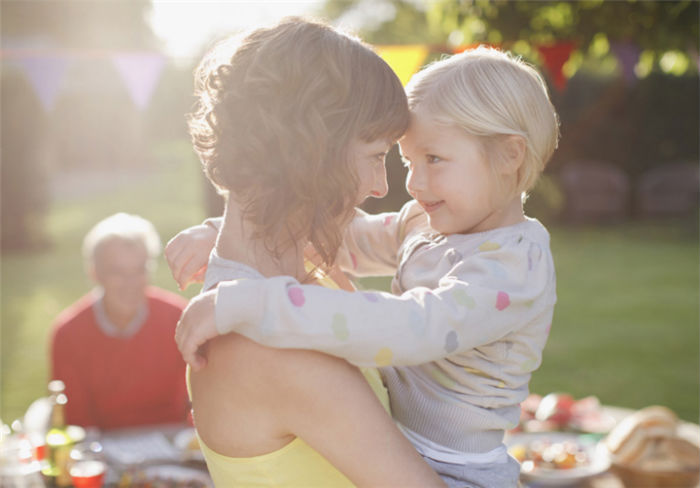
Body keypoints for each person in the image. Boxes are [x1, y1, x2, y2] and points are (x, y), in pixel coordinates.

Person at [170, 45, 560, 487]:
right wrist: (218, 229)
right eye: (401, 159)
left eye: (434, 159)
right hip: (416, 451)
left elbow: (413, 327)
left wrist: (256, 303)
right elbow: (348, 241)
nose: (409, 184)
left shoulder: (512, 268)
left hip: (463, 471)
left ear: (511, 156)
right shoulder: (424, 223)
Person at [169, 17, 444, 487]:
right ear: (312, 153)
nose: (382, 187)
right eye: (377, 157)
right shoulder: (274, 342)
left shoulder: (297, 292)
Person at [50, 213, 188, 430]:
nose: (130, 283)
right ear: (95, 273)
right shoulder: (68, 333)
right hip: (102, 450)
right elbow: (76, 420)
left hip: (174, 447)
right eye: (118, 272)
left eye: (139, 270)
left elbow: (198, 402)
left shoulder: (179, 318)